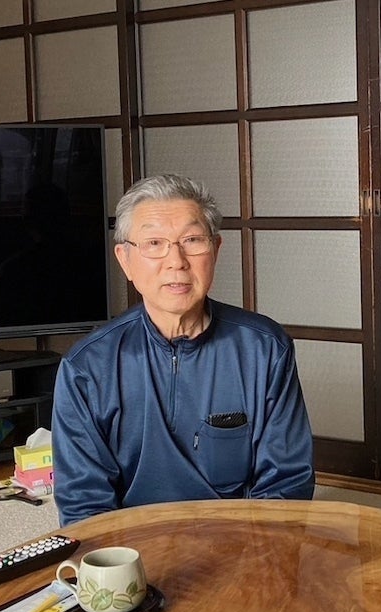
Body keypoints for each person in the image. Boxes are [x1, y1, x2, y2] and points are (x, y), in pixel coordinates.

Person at [52, 174, 315, 525]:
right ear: (125, 260)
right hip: (133, 546)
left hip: (238, 539)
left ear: (215, 250)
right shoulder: (87, 366)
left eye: (192, 240)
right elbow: (84, 506)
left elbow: (286, 483)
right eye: (154, 243)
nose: (176, 261)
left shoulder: (264, 349)